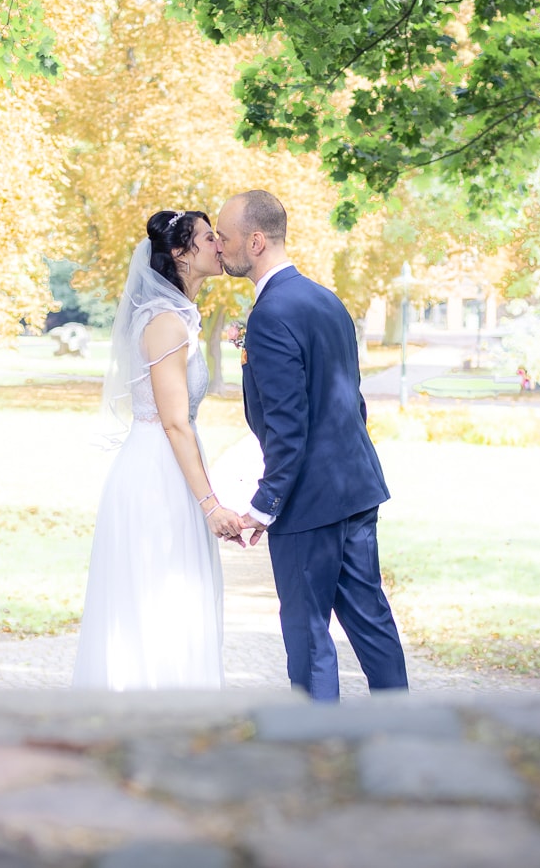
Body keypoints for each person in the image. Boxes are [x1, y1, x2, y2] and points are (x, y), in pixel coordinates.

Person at [214, 190, 409, 701]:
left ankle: (317, 749)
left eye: (226, 237)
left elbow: (287, 425)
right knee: (370, 618)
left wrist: (264, 505)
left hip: (308, 504)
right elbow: (350, 402)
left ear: (256, 241)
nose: (219, 247)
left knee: (307, 633)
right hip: (355, 487)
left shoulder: (271, 315)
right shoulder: (327, 300)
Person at [72, 210, 250, 689]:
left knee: (178, 597)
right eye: (209, 237)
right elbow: (174, 422)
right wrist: (210, 504)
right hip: (156, 475)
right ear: (180, 254)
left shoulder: (177, 319)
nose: (219, 243)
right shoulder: (165, 324)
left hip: (170, 466)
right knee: (159, 599)